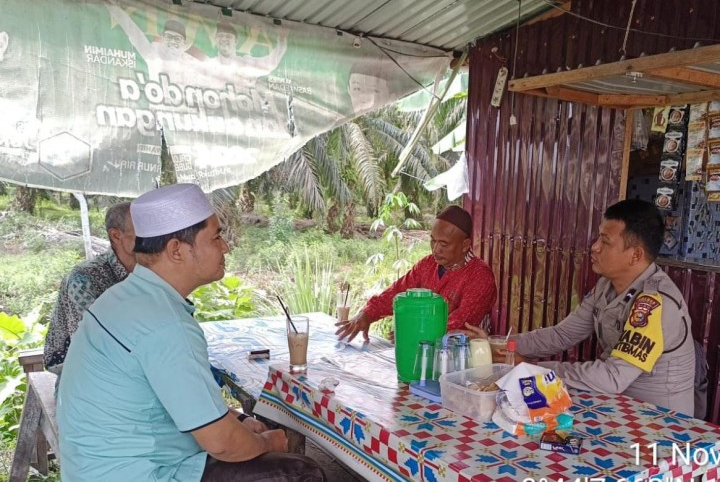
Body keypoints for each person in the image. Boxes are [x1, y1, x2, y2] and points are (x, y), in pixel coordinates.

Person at [56, 183, 325, 482]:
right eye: (216, 237)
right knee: (302, 472)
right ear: (176, 250)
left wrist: (238, 419)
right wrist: (267, 443)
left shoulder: (125, 297)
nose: (225, 247)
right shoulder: (165, 323)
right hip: (140, 472)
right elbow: (223, 445)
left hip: (95, 468)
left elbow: (170, 393)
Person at [468, 199, 695, 415]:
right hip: (616, 404)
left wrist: (534, 368)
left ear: (635, 255)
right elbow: (562, 335)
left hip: (658, 419)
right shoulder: (606, 286)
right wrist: (499, 345)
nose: (594, 247)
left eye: (605, 242)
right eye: (598, 238)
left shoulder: (655, 304)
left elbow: (612, 377)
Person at [336, 205, 497, 343]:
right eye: (433, 240)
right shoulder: (427, 264)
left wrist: (415, 332)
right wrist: (367, 313)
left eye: (444, 244)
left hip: (462, 362)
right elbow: (398, 292)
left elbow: (461, 324)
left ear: (465, 245)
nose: (435, 249)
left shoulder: (480, 276)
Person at [43, 202, 136, 374]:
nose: (153, 235)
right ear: (116, 236)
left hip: (132, 365)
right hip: (80, 373)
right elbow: (93, 343)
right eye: (142, 228)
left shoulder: (150, 270)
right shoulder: (84, 278)